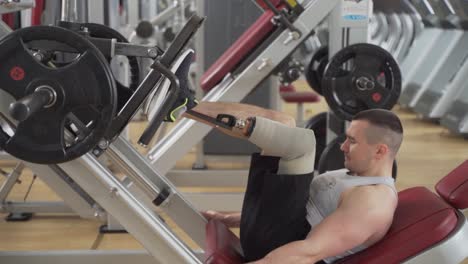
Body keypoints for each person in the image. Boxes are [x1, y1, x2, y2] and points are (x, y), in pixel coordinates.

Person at [181, 102, 402, 264]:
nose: (342, 146)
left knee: (301, 144)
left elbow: (310, 252)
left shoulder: (373, 200)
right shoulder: (356, 175)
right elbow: (296, 206)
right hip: (275, 232)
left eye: (352, 141)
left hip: (280, 249)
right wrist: (228, 219)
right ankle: (184, 106)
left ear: (380, 150)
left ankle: (184, 106)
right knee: (282, 123)